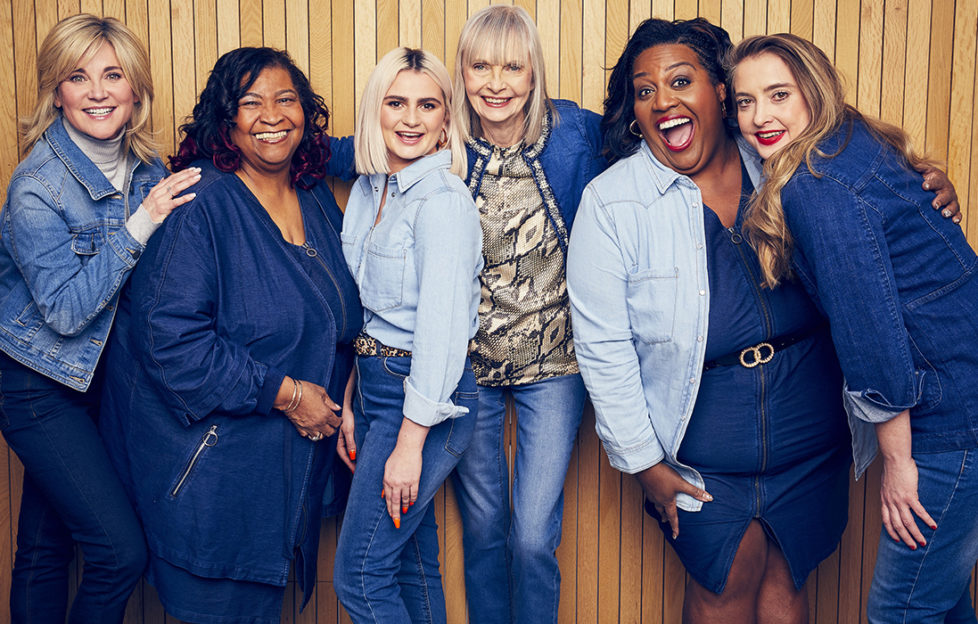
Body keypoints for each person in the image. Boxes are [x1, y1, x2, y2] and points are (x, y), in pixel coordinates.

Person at [566, 18, 960, 623]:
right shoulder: (612, 202)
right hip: (704, 453)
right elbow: (602, 348)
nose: (664, 100)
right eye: (645, 91)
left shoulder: (782, 158)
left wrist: (924, 188)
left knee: (786, 586)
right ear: (634, 110)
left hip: (811, 437)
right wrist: (644, 464)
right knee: (722, 589)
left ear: (718, 91)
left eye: (680, 80)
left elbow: (865, 198)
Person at [98, 46, 361, 623]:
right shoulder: (199, 204)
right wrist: (288, 394)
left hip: (278, 487)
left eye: (286, 99)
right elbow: (171, 345)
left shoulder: (313, 195)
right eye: (251, 102)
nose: (272, 114)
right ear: (227, 119)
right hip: (210, 488)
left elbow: (340, 320)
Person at [731, 33, 978, 624]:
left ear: (812, 93)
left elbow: (873, 337)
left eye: (777, 95)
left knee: (902, 610)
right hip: (961, 396)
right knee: (943, 603)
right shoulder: (844, 141)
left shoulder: (818, 188)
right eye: (743, 102)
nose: (759, 117)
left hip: (948, 416)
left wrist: (899, 463)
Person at [0, 14, 199, 623]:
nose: (97, 91)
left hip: (107, 384)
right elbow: (63, 312)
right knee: (118, 555)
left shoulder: (146, 171)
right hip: (41, 387)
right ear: (55, 91)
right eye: (77, 77)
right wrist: (142, 225)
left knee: (44, 544)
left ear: (135, 89)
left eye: (113, 75)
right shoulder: (36, 187)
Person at [449, 7, 605, 622]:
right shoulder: (443, 139)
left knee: (534, 535)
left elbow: (669, 130)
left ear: (534, 70)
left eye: (512, 66)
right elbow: (358, 147)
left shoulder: (576, 133)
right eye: (480, 65)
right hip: (470, 370)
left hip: (556, 365)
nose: (496, 82)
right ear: (461, 72)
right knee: (485, 530)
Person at [332, 47, 482, 624]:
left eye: (428, 105)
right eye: (396, 103)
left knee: (361, 579)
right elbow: (367, 314)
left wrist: (409, 443)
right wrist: (350, 399)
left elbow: (442, 334)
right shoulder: (371, 189)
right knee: (410, 564)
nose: (411, 119)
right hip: (372, 387)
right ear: (377, 110)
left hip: (425, 401)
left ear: (447, 119)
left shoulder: (443, 203)